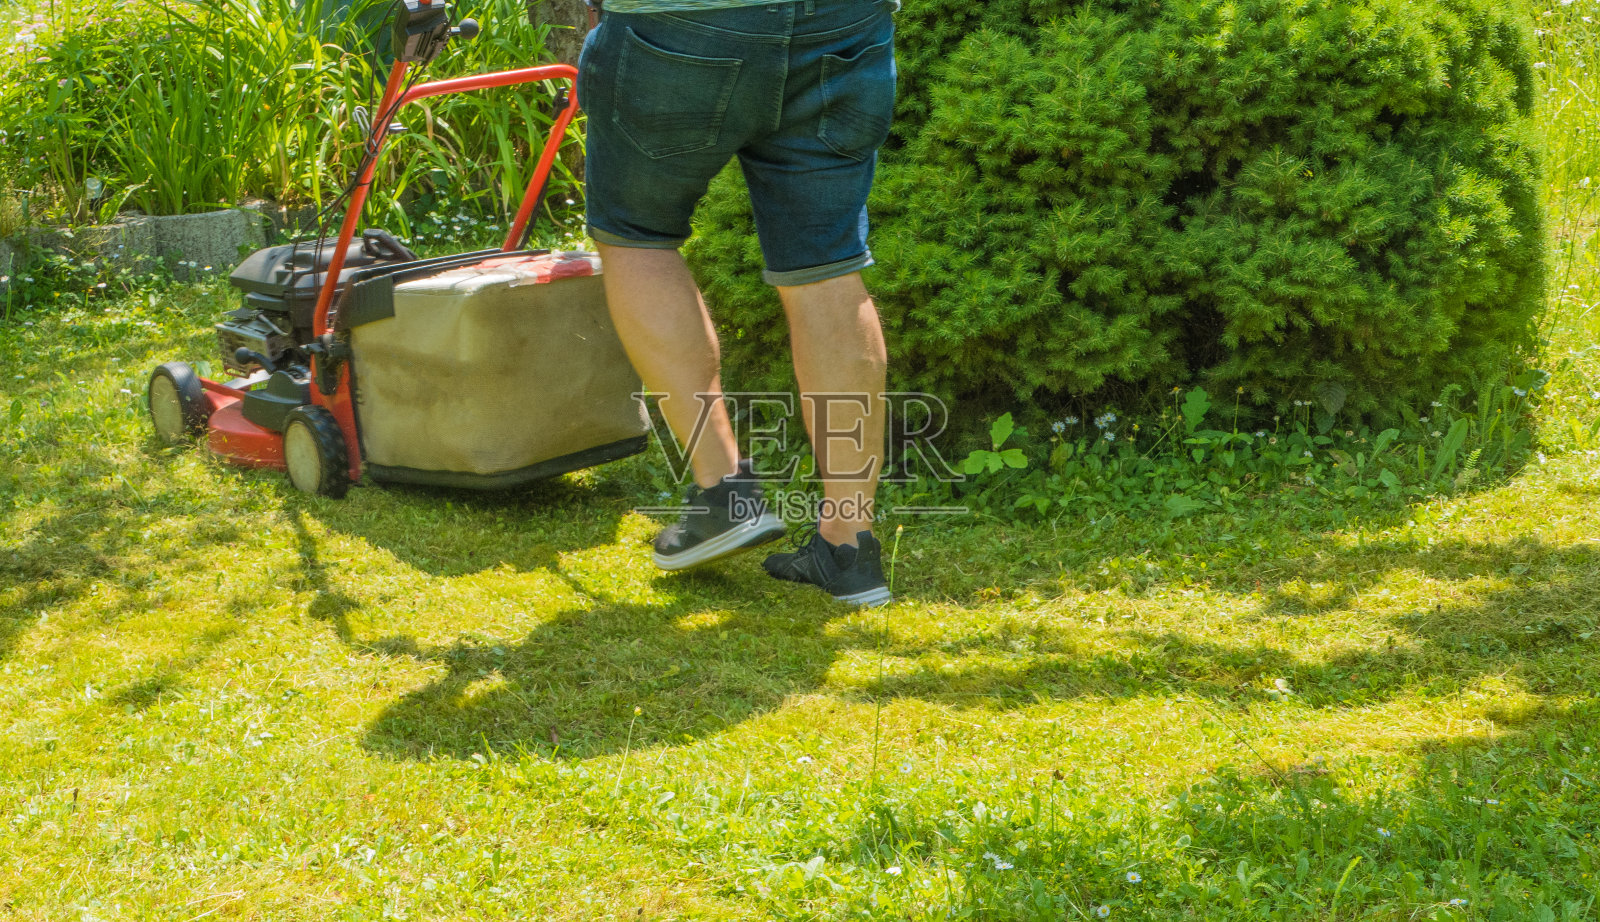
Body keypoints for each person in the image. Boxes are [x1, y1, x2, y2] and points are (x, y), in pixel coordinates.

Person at [578, 0, 898, 606]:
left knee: (636, 237)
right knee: (826, 262)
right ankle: (850, 543)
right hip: (844, 22)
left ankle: (726, 494)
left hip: (676, 25)